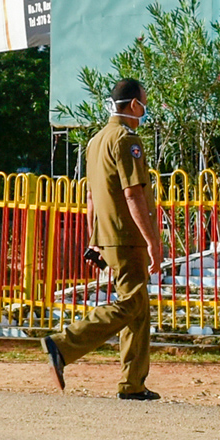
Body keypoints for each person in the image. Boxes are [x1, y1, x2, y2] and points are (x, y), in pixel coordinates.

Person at [41, 78, 162, 399]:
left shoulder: (96, 141)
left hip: (108, 234)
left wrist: (94, 238)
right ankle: (64, 344)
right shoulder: (125, 139)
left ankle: (133, 384)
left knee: (140, 310)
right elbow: (133, 193)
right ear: (134, 105)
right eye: (144, 103)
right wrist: (152, 240)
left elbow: (93, 196)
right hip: (127, 235)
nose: (145, 108)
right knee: (132, 302)